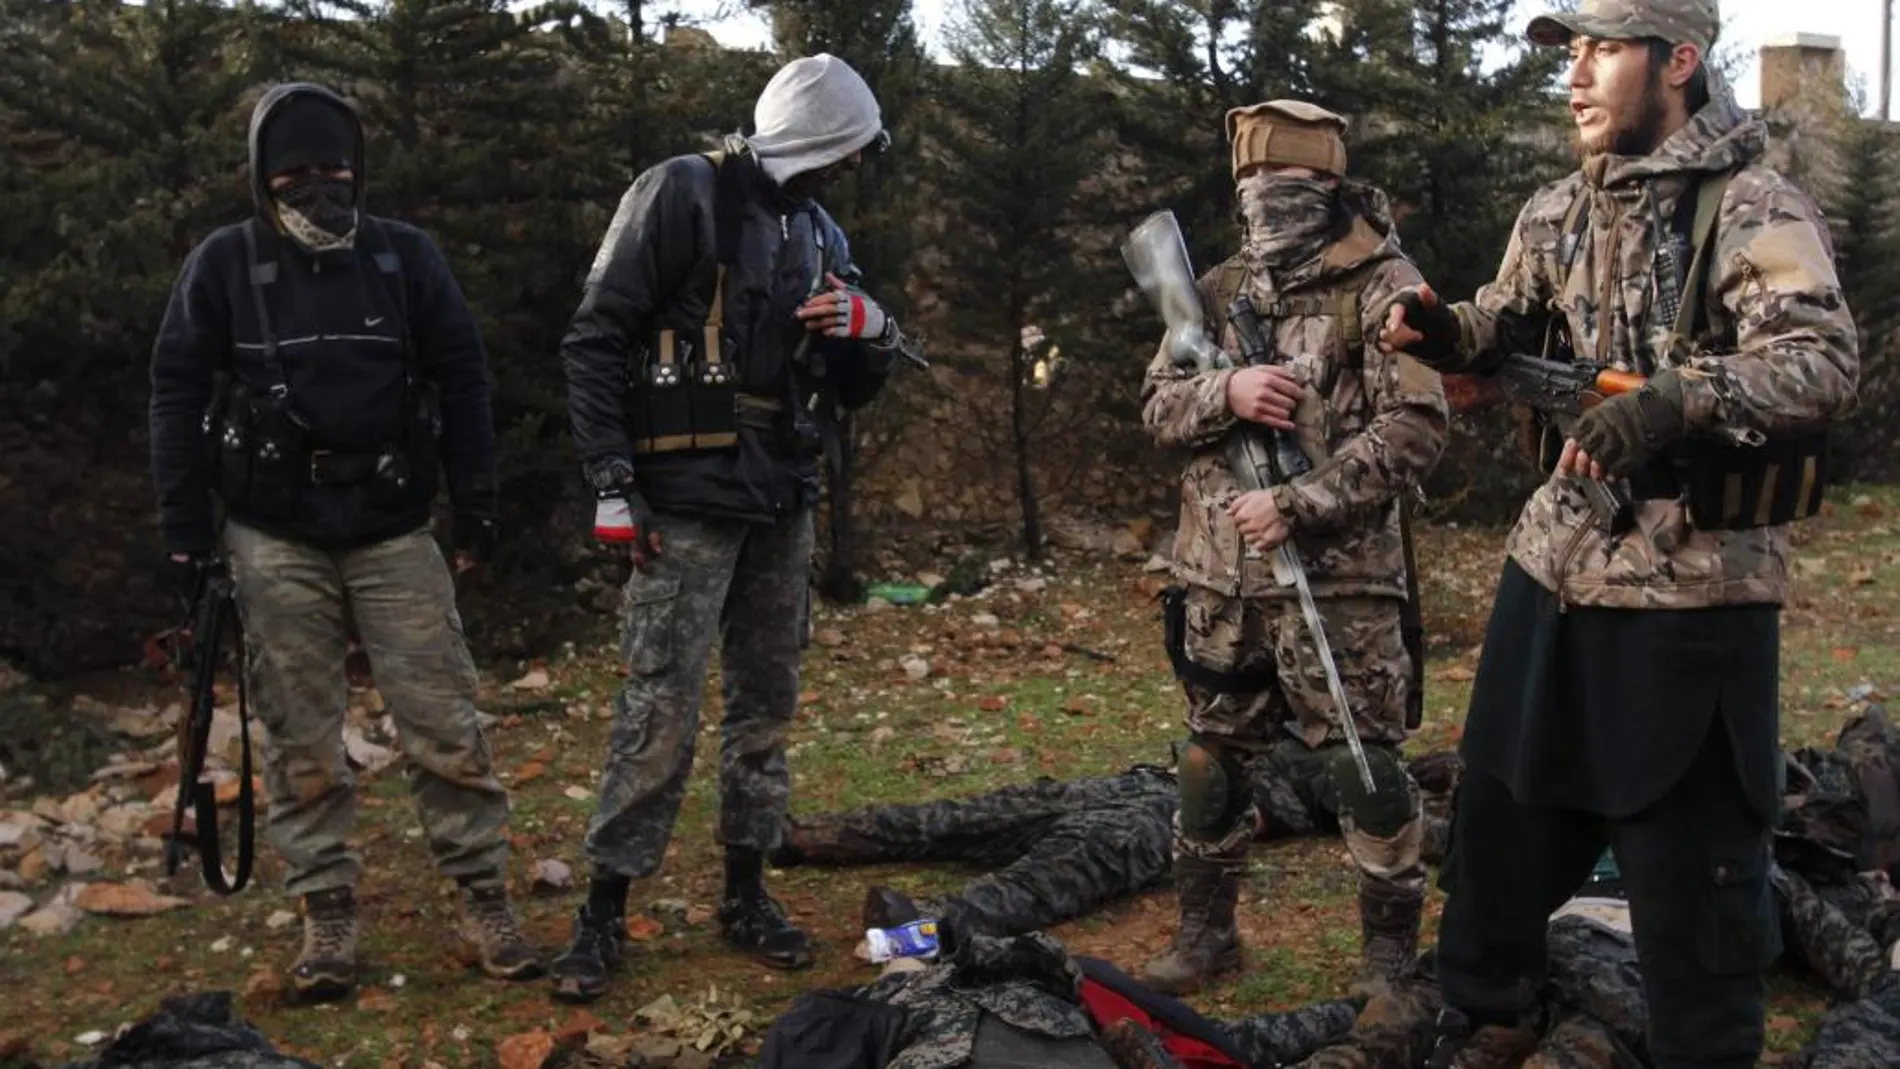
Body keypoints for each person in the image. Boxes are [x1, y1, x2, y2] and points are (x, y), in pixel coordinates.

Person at [1376, 1, 1860, 1065]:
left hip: (1689, 594)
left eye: (1602, 51)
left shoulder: (1751, 205)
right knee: (1499, 820)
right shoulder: (1557, 208)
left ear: (1678, 60)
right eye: (1570, 53)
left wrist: (1669, 402)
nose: (1576, 77)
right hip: (1551, 565)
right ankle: (1485, 1011)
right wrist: (1446, 330)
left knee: (1694, 878)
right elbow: (1501, 320)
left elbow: (1820, 361)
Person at [147, 83, 531, 1002]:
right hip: (271, 535)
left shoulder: (406, 258)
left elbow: (463, 375)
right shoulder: (224, 264)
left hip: (394, 526)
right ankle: (326, 910)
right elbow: (175, 392)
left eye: (337, 171)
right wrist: (184, 535)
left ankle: (485, 895)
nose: (321, 190)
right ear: (260, 178)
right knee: (299, 735)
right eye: (297, 174)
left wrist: (476, 503)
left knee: (444, 722)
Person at [552, 53, 908, 1000]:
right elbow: (595, 336)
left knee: (766, 709)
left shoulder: (821, 229)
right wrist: (612, 479)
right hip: (684, 498)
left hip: (781, 496)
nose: (850, 169)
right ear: (817, 136)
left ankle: (745, 893)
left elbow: (860, 382)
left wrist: (868, 326)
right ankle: (603, 912)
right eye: (845, 148)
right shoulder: (682, 192)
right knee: (658, 708)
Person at [1136, 98, 1449, 996]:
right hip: (1220, 586)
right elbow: (1159, 406)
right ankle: (1207, 937)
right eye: (1250, 184)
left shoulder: (1385, 286)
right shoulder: (1218, 291)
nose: (1266, 199)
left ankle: (1388, 963)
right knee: (1209, 762)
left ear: (1330, 185)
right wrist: (1225, 391)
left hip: (1340, 585)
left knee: (1367, 767)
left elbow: (1418, 429)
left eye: (1290, 183)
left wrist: (1300, 502)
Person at [772, 748, 1461, 940]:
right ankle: (807, 839)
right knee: (964, 816)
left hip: (1170, 811)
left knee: (1049, 877)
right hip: (1135, 782)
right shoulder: (1313, 734)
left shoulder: (1352, 773)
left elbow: (1405, 831)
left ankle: (916, 933)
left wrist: (1452, 827)